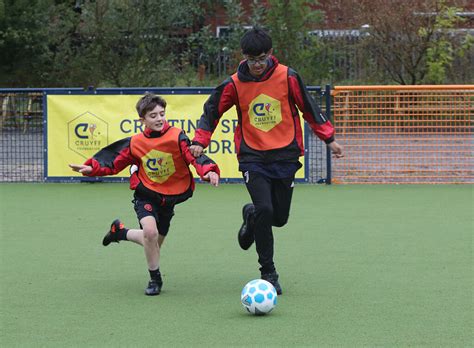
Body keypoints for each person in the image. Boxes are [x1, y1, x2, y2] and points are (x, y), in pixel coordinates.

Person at [189, 28, 343, 295]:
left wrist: (328, 138)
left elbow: (308, 107)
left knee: (279, 217)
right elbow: (212, 111)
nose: (257, 65)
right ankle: (268, 272)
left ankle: (251, 216)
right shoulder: (234, 83)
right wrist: (200, 140)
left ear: (271, 54)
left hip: (285, 156)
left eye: (261, 58)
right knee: (266, 209)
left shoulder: (288, 76)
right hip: (253, 158)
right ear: (244, 57)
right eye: (252, 60)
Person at [70, 93, 220, 296]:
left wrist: (208, 170)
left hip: (169, 198)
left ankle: (120, 232)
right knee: (150, 234)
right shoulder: (135, 143)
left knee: (153, 242)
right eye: (153, 115)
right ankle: (155, 280)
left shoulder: (177, 136)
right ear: (142, 120)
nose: (159, 119)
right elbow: (114, 161)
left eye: (162, 114)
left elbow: (194, 157)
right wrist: (92, 168)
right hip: (146, 194)